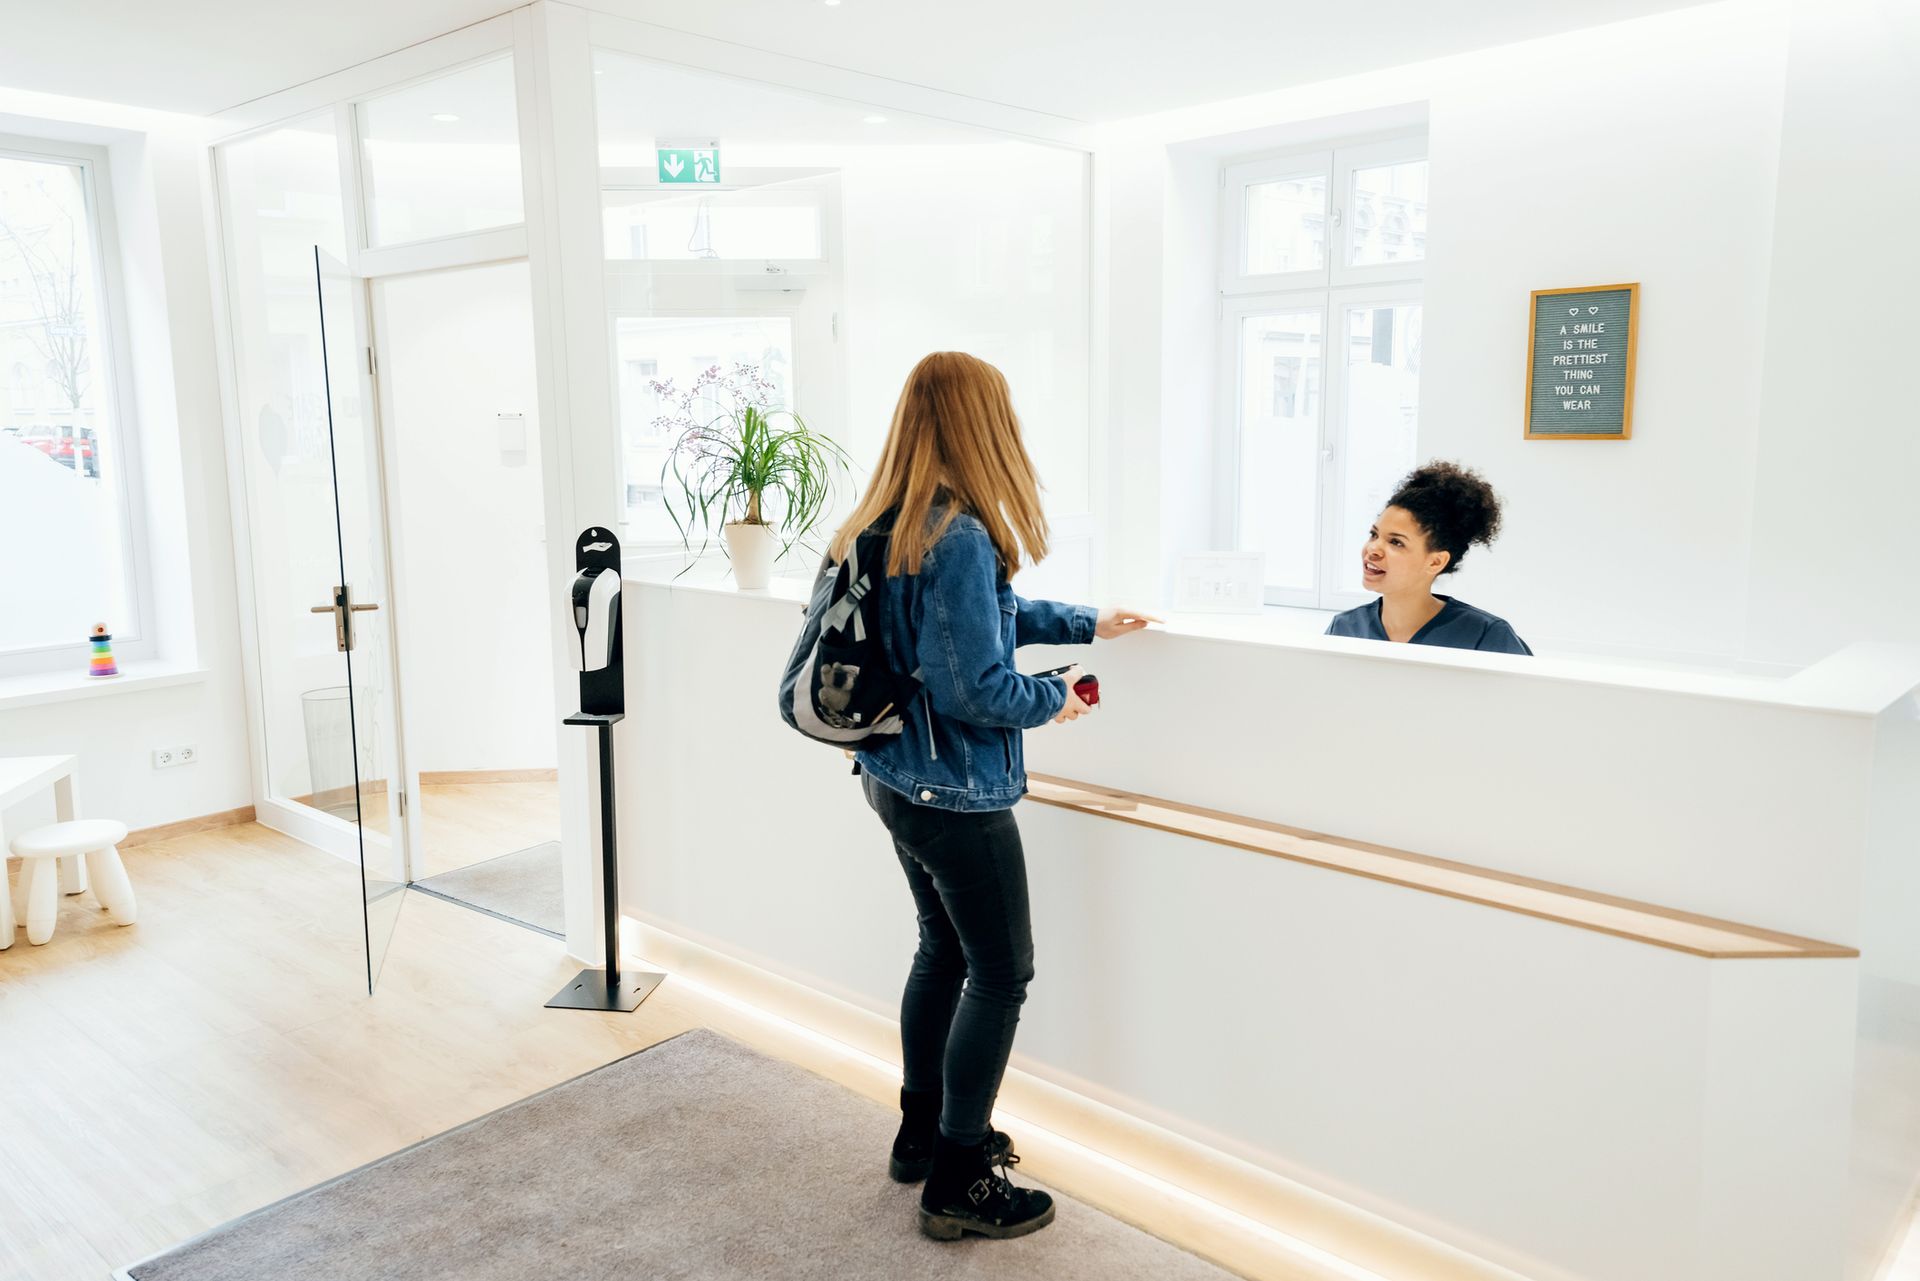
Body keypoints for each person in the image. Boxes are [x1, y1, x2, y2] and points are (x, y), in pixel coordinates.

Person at [829, 351, 1158, 1242]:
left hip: (891, 774)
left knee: (941, 950)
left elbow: (968, 623)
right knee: (1001, 971)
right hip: (953, 793)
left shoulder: (880, 522)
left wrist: (1085, 620)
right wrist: (1062, 697)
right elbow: (977, 685)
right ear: (983, 425)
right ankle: (960, 1176)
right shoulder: (961, 534)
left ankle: (921, 1133)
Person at [1326, 461, 1531, 655]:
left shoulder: (1488, 637)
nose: (1373, 549)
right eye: (1374, 534)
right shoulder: (1344, 628)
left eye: (1396, 542)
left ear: (1435, 562)